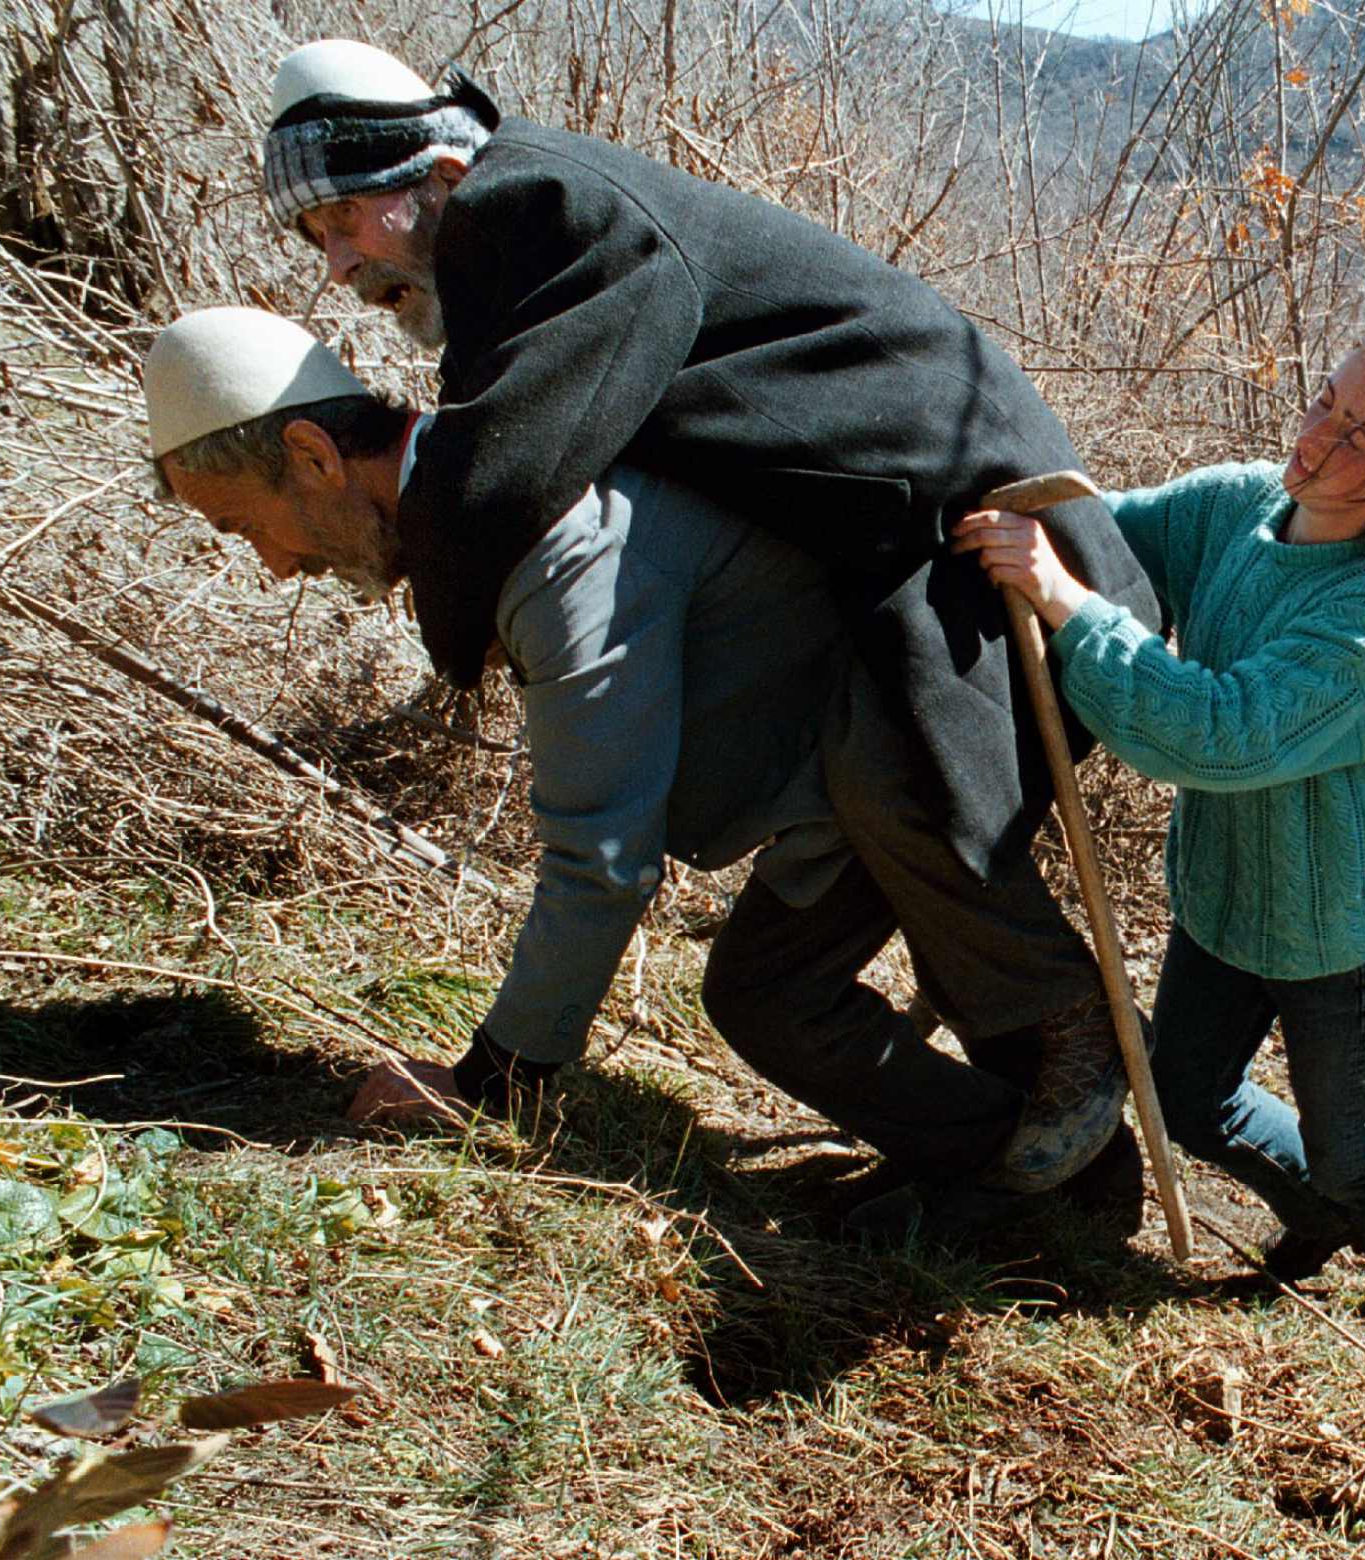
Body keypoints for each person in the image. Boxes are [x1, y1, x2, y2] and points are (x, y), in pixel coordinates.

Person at [254, 41, 1168, 1192]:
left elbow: (504, 461)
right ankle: (1035, 1184)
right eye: (316, 240)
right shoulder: (531, 215)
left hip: (983, 536)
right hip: (903, 557)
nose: (339, 264)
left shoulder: (526, 206)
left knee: (909, 791)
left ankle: (1068, 1030)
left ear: (433, 177)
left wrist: (450, 621)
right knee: (795, 956)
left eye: (344, 223)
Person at [141, 307, 1145, 1235]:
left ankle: (1051, 1179)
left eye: (243, 527)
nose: (272, 566)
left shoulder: (538, 526)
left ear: (311, 453)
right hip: (851, 755)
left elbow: (602, 854)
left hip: (900, 752)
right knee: (772, 998)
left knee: (788, 997)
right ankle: (1024, 1168)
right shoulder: (491, 472)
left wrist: (487, 1081)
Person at [953, 333, 1365, 1352]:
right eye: (1323, 403)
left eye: (1353, 434)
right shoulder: (1242, 504)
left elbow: (1221, 733)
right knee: (1192, 1101)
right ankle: (1320, 1215)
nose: (1314, 436)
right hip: (1223, 898)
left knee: (1354, 1141)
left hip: (1340, 928)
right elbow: (1103, 533)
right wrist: (1008, 505)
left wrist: (1063, 602)